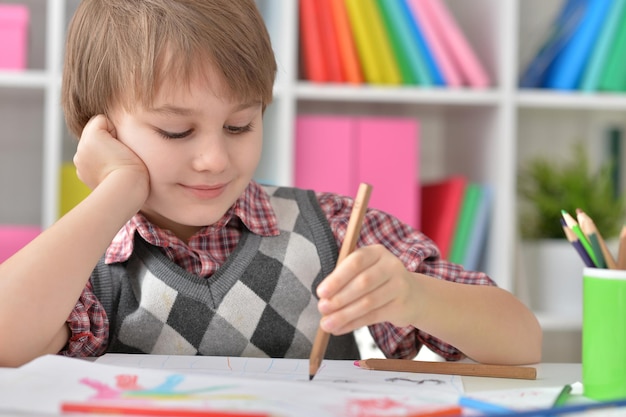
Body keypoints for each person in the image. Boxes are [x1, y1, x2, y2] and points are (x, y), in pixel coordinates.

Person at [0, 0, 541, 368]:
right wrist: (118, 190)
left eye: (240, 125)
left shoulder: (330, 227)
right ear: (103, 130)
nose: (214, 158)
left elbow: (522, 342)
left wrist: (416, 298)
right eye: (176, 130)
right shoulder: (86, 266)